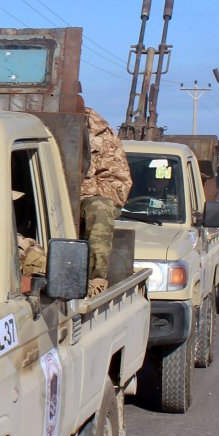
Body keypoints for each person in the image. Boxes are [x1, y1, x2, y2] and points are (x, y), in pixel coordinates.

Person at [80, 107, 132, 296]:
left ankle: (95, 281)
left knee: (100, 210)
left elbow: (118, 185)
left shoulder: (100, 134)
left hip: (83, 202)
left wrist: (83, 192)